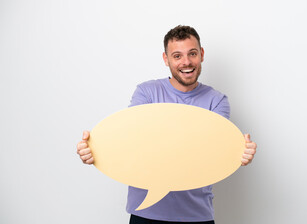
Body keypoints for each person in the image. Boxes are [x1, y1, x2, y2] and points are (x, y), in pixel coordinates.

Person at [77, 25, 257, 224]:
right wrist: (94, 150)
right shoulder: (147, 92)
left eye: (192, 53)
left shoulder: (217, 100)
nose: (186, 62)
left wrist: (238, 153)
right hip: (146, 214)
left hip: (196, 216)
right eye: (177, 56)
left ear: (202, 54)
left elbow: (214, 151)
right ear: (166, 59)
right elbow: (129, 141)